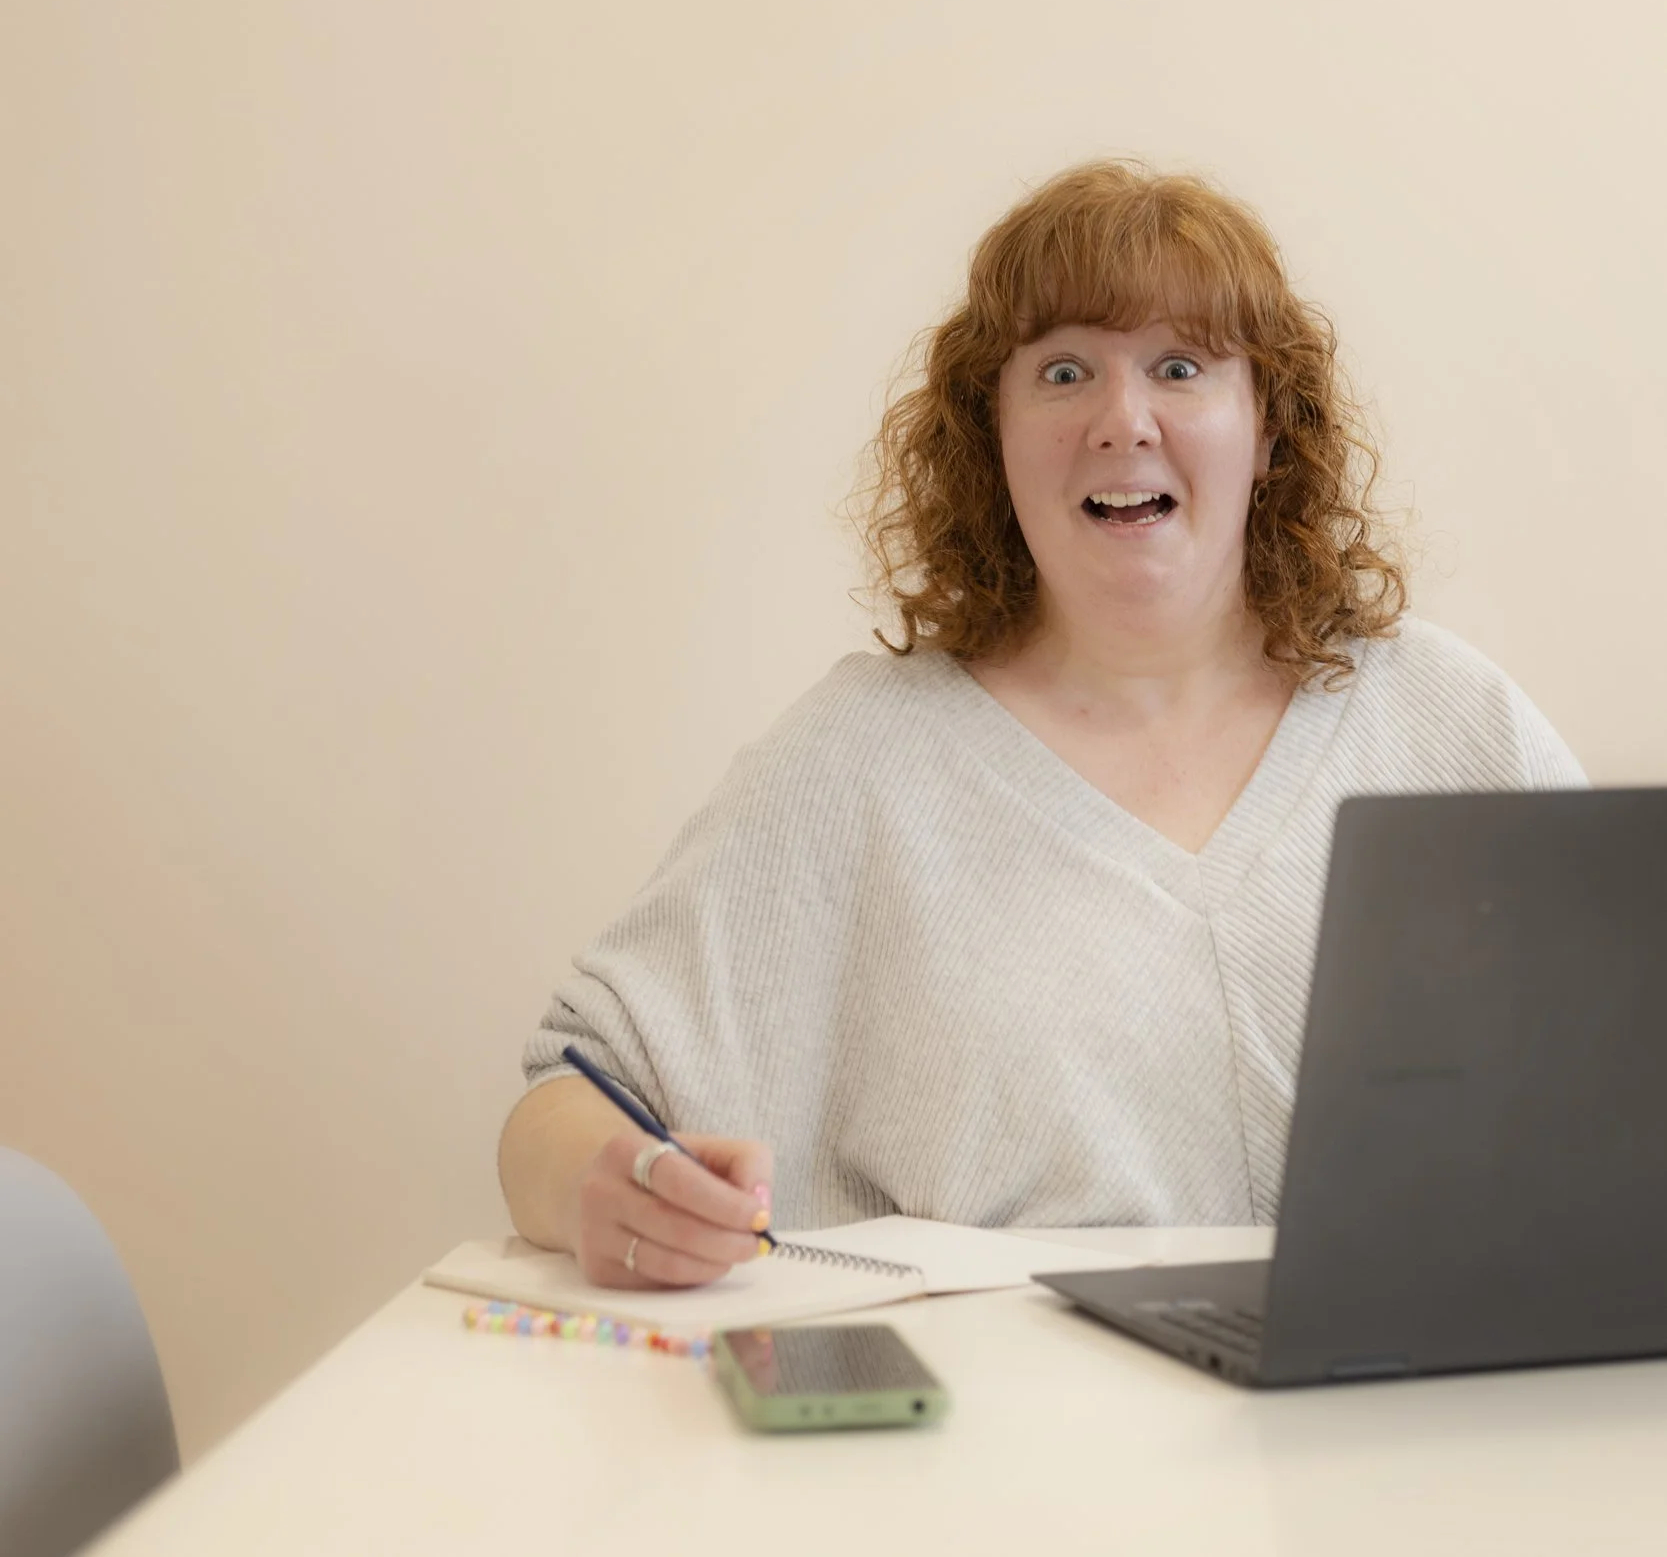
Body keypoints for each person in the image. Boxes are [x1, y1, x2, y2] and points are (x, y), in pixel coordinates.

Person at [498, 160, 1583, 1288]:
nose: (1122, 421)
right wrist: (616, 1191)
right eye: (1063, 371)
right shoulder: (855, 762)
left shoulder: (1449, 720)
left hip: (1421, 1427)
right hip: (1007, 1441)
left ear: (1268, 429)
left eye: (1180, 366)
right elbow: (563, 1098)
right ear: (992, 437)